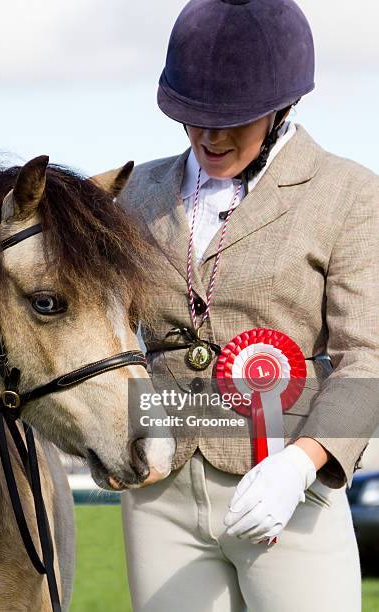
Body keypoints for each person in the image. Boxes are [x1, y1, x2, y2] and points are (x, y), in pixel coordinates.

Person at [117, 1, 379, 610]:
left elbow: (367, 358)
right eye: (193, 118)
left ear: (282, 108)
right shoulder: (133, 195)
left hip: (286, 489)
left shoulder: (349, 195)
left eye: (233, 119)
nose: (210, 136)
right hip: (159, 487)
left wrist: (303, 464)